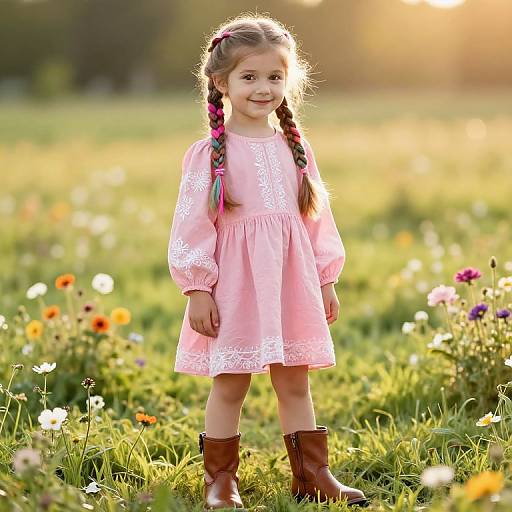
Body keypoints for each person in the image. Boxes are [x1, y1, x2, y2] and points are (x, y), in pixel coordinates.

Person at [167, 14, 369, 510]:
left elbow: (315, 221)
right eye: (249, 77)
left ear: (289, 80)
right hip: (234, 287)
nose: (264, 88)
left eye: (275, 77)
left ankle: (313, 474)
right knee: (230, 384)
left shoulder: (295, 150)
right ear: (221, 83)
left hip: (289, 282)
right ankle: (221, 481)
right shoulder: (209, 156)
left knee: (294, 382)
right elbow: (192, 225)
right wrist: (197, 287)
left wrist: (326, 279)